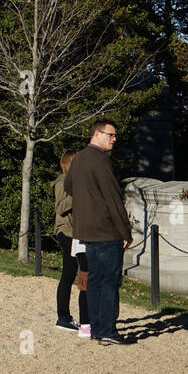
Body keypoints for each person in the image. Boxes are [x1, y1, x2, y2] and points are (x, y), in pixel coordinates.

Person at [63, 119, 132, 346]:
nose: (114, 139)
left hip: (86, 230)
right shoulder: (102, 161)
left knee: (94, 280)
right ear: (96, 135)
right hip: (106, 230)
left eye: (114, 135)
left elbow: (69, 187)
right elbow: (114, 198)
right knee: (109, 282)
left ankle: (94, 328)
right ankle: (107, 330)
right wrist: (125, 231)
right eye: (110, 135)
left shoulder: (79, 158)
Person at [53, 150, 90, 338]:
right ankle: (65, 316)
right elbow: (60, 207)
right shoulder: (62, 182)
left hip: (77, 232)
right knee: (72, 272)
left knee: (74, 271)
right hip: (66, 232)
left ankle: (73, 317)